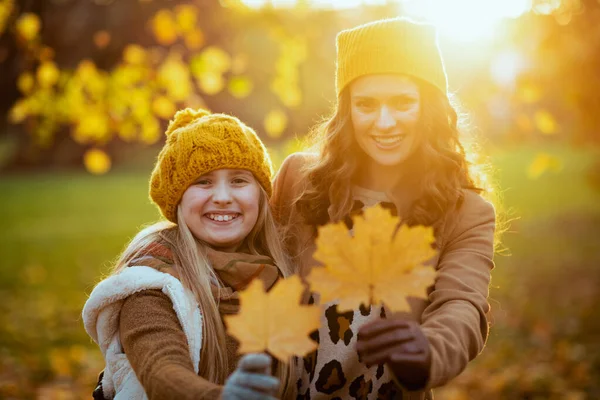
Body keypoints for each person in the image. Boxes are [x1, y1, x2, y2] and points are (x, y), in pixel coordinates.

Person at [271, 17, 497, 400]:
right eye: (366, 104)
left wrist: (428, 352)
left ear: (429, 107)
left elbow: (462, 305)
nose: (385, 122)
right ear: (347, 111)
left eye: (403, 102)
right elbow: (236, 258)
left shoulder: (466, 212)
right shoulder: (298, 180)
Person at [83, 108, 295, 399]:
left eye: (238, 180)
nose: (222, 197)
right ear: (178, 199)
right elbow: (160, 369)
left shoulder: (283, 272)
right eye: (203, 181)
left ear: (260, 194)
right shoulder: (152, 283)